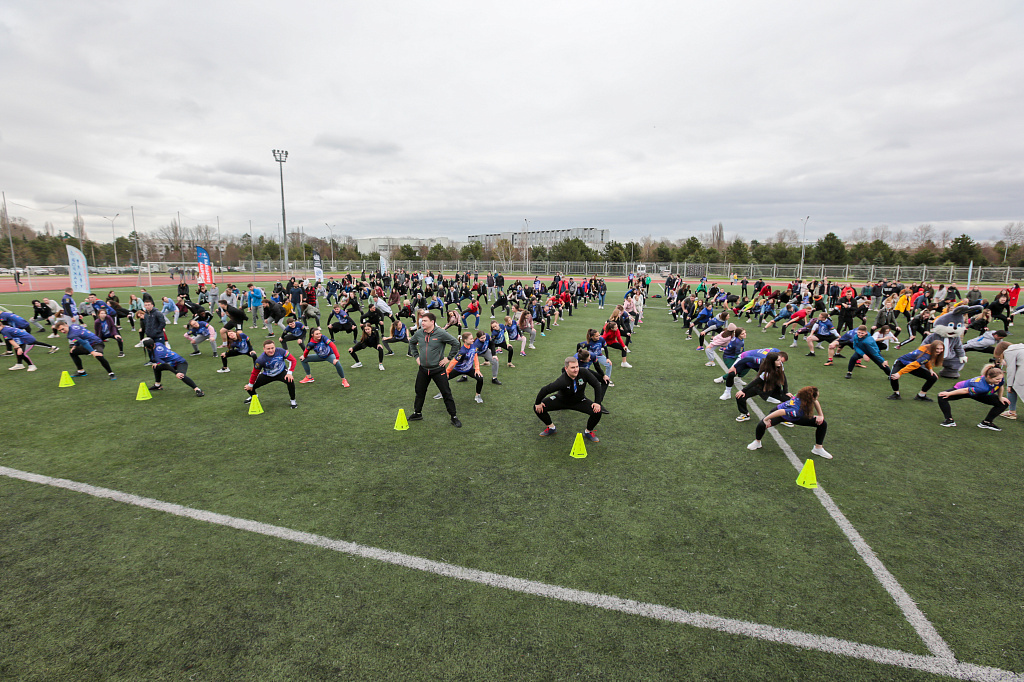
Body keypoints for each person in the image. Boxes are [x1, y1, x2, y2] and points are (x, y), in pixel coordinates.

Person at [407, 312, 462, 428]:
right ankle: (417, 413)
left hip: (438, 370)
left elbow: (456, 344)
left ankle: (454, 417)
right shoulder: (419, 333)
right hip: (423, 369)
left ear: (432, 322)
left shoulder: (441, 333)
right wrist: (416, 357)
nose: (422, 322)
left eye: (425, 320)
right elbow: (411, 343)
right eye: (422, 320)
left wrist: (448, 358)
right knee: (419, 392)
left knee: (446, 393)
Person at [534, 356, 606, 442]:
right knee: (537, 408)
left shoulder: (584, 372)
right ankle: (551, 427)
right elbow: (545, 390)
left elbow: (596, 385)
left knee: (597, 411)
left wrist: (597, 403)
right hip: (561, 401)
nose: (576, 370)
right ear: (566, 368)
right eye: (572, 367)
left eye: (577, 366)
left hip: (579, 401)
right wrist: (538, 403)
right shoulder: (562, 381)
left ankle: (588, 432)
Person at [746, 386, 832, 459]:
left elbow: (815, 401)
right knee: (762, 424)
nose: (817, 397)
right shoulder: (796, 409)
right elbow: (781, 412)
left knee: (822, 423)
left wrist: (821, 415)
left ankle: (818, 448)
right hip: (780, 414)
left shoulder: (802, 396)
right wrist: (766, 419)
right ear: (810, 398)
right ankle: (757, 442)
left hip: (795, 417)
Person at [937, 364, 1009, 430]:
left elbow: (1000, 386)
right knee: (942, 396)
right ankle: (949, 420)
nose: (999, 381)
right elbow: (965, 391)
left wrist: (1000, 398)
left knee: (1003, 403)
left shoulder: (1000, 380)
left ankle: (986, 423)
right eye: (997, 379)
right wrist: (949, 393)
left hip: (979, 393)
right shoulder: (982, 387)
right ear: (988, 377)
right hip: (962, 389)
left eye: (1000, 379)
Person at [734, 352, 790, 422]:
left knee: (790, 400)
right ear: (772, 362)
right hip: (760, 387)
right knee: (739, 396)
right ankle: (745, 414)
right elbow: (756, 381)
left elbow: (783, 378)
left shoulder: (780, 365)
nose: (780, 361)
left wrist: (786, 392)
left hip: (773, 388)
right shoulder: (767, 372)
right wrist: (743, 391)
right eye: (778, 360)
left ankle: (784, 418)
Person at [245, 339, 298, 409]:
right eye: (268, 349)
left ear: (275, 347)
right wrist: (250, 384)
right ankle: (253, 396)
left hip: (281, 372)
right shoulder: (260, 360)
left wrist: (289, 373)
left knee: (290, 380)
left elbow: (293, 360)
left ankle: (293, 400)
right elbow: (255, 373)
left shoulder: (281, 351)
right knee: (249, 388)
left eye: (272, 348)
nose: (271, 350)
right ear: (264, 349)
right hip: (268, 375)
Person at [434, 331, 484, 403]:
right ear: (465, 340)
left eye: (472, 338)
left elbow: (475, 357)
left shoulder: (473, 345)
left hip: (469, 369)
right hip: (459, 370)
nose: (473, 340)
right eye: (471, 339)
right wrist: (447, 372)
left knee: (480, 378)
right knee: (443, 378)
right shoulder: (462, 351)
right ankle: (442, 393)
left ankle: (477, 396)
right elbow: (453, 362)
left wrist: (477, 369)